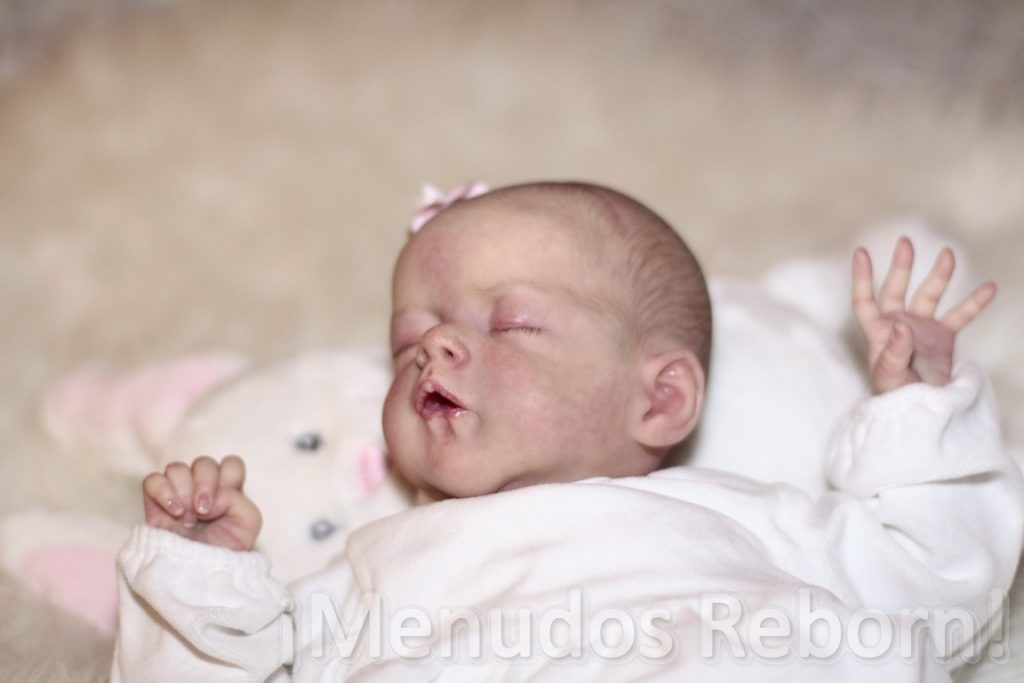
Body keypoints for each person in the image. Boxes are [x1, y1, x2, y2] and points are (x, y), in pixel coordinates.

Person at [111, 182, 1022, 681]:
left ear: (659, 400)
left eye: (509, 323)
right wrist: (201, 581)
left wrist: (918, 408)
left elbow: (935, 571)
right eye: (407, 341)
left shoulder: (742, 523)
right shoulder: (366, 573)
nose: (433, 347)